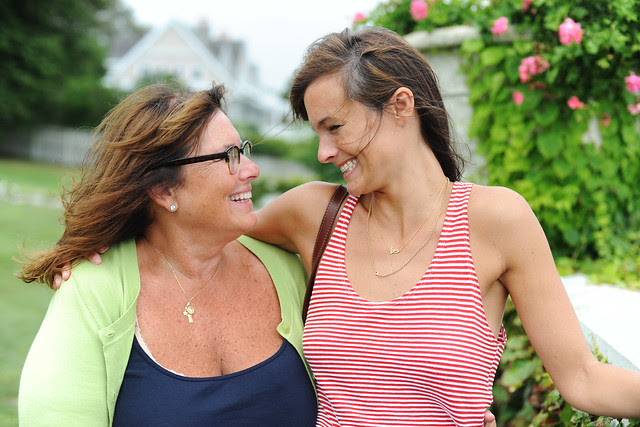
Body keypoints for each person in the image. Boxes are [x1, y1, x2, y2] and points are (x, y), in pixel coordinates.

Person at [246, 26, 640, 425]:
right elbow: (215, 237)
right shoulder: (314, 213)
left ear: (401, 106)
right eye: (318, 132)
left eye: (334, 128)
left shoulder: (497, 221)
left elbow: (583, 379)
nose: (323, 152)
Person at [17, 83, 317, 425]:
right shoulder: (94, 290)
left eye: (243, 149)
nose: (251, 169)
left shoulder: (289, 268)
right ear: (162, 189)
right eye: (228, 156)